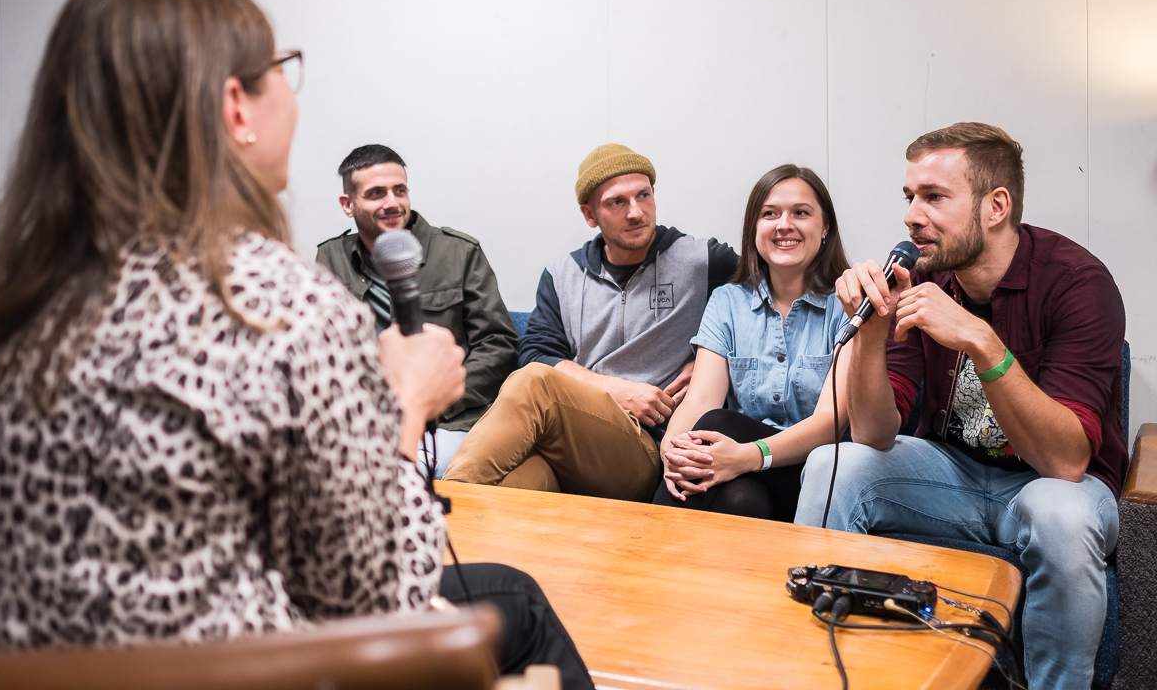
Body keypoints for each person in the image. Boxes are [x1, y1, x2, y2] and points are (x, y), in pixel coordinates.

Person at [0, 0, 592, 689]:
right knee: (517, 601)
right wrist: (406, 405)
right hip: (239, 671)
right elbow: (376, 597)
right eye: (281, 69)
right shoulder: (273, 304)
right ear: (236, 108)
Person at [795, 122, 1128, 690]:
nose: (910, 214)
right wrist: (875, 332)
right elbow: (875, 433)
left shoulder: (1079, 283)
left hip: (1053, 486)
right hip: (955, 476)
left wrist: (982, 341)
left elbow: (1068, 463)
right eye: (909, 197)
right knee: (834, 464)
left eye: (934, 197)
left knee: (1060, 513)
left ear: (996, 205)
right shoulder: (925, 275)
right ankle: (817, 672)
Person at [444, 144, 737, 501]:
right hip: (572, 446)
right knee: (505, 491)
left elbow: (771, 291)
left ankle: (431, 518)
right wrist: (614, 389)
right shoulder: (562, 275)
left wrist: (710, 357)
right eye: (617, 202)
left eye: (643, 195)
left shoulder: (701, 260)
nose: (635, 212)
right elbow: (536, 354)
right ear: (589, 214)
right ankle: (443, 535)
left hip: (647, 448)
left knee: (535, 384)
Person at [652, 165, 851, 521]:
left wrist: (748, 455)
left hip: (816, 473)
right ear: (754, 229)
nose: (783, 224)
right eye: (769, 214)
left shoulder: (849, 303)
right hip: (740, 470)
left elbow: (831, 422)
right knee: (741, 498)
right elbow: (699, 398)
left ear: (825, 229)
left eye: (801, 213)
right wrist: (672, 448)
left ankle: (643, 556)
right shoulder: (727, 301)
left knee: (718, 424)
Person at [316, 144, 517, 477]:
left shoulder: (458, 252)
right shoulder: (330, 260)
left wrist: (430, 401)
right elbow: (324, 353)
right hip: (363, 420)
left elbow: (498, 345)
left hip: (446, 422)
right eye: (376, 193)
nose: (392, 203)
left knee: (400, 475)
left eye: (400, 190)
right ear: (347, 205)